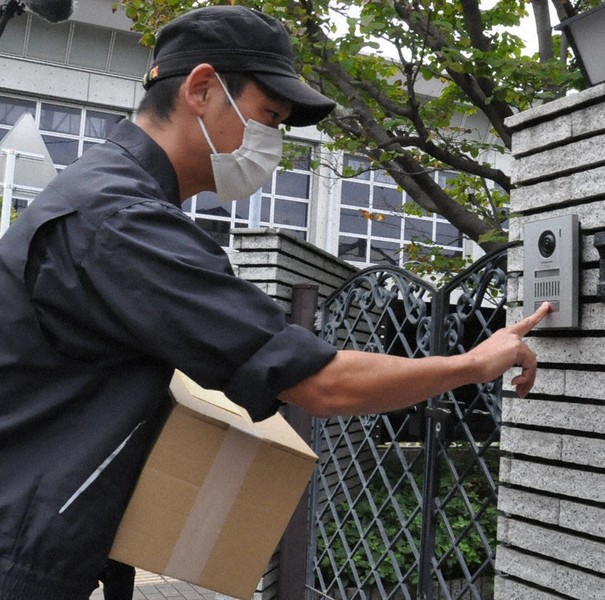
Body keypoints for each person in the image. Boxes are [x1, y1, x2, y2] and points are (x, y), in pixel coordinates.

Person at [0, 6, 550, 600]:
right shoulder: (123, 224)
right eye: (269, 117)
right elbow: (319, 383)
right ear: (203, 90)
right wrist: (474, 363)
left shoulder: (104, 195)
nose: (275, 142)